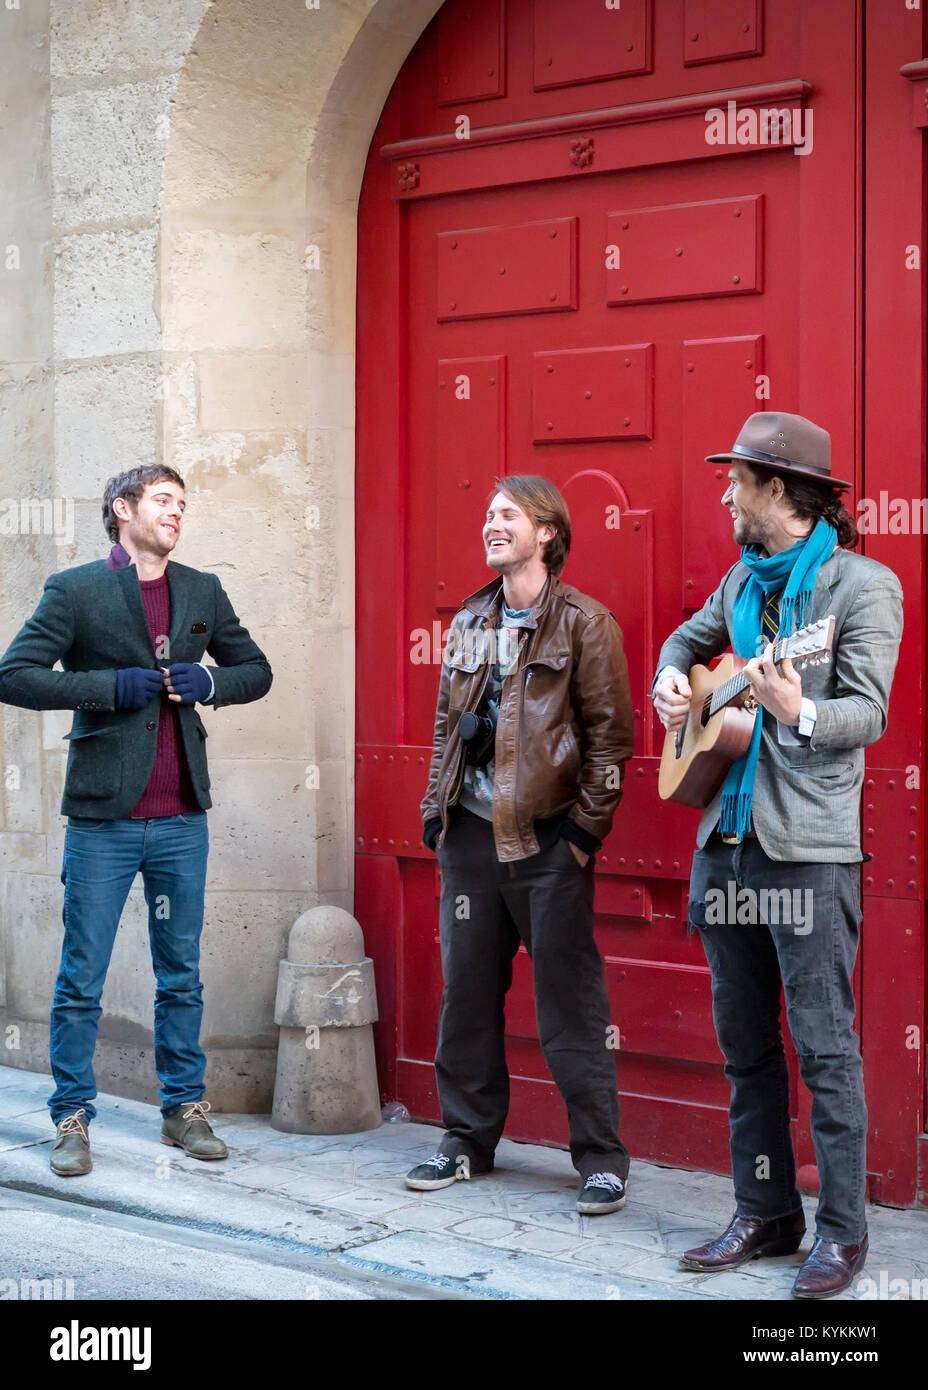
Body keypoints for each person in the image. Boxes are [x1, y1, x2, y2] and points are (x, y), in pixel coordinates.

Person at [652, 412, 903, 1298]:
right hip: (726, 843)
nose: (725, 491)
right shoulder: (741, 582)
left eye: (738, 480)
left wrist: (796, 709)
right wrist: (669, 680)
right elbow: (685, 644)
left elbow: (867, 713)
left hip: (807, 853)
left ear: (781, 493)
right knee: (745, 1047)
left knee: (825, 1048)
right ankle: (763, 1211)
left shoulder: (862, 587)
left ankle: (841, 1233)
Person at [0, 466, 272, 1177]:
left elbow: (256, 671)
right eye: (162, 501)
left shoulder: (203, 590)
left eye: (183, 504)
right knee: (80, 977)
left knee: (180, 973)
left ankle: (184, 1109)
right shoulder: (78, 588)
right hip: (102, 819)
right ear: (122, 510)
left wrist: (210, 681)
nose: (176, 513)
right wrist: (108, 688)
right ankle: (71, 1116)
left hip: (182, 816)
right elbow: (16, 674)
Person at [408, 475, 636, 1214]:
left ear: (547, 532)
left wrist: (580, 836)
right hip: (471, 840)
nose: (492, 524)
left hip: (546, 845)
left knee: (570, 1004)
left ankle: (600, 1158)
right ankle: (465, 1141)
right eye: (487, 515)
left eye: (508, 514)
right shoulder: (471, 618)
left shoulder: (585, 623)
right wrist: (435, 813)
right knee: (467, 996)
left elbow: (612, 742)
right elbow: (448, 723)